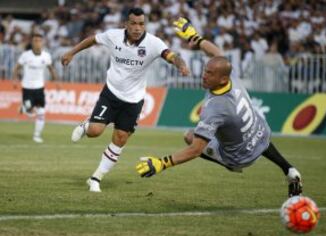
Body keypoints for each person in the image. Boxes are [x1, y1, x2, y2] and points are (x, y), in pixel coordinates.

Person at [136, 17, 302, 197]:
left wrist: (162, 163)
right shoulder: (231, 76)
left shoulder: (214, 108)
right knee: (255, 132)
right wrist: (196, 38)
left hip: (239, 158)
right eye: (205, 71)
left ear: (222, 79)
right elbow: (216, 52)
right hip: (261, 132)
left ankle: (229, 164)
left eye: (210, 74)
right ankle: (289, 169)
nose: (204, 76)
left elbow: (196, 149)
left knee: (190, 136)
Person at [61, 8, 190, 192]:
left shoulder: (153, 43)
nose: (138, 28)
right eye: (134, 23)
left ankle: (96, 178)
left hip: (134, 100)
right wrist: (71, 52)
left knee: (120, 139)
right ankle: (85, 126)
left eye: (141, 24)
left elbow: (171, 55)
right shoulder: (113, 36)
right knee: (95, 131)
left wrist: (181, 66)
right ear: (126, 24)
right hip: (111, 93)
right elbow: (92, 40)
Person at [13, 33, 58, 143]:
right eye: (35, 40)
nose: (37, 42)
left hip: (39, 88)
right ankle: (24, 108)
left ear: (42, 42)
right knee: (30, 111)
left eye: (39, 40)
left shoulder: (46, 56)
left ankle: (37, 135)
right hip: (27, 87)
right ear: (32, 42)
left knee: (41, 112)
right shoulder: (26, 55)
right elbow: (17, 67)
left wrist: (55, 79)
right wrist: (14, 79)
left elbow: (50, 68)